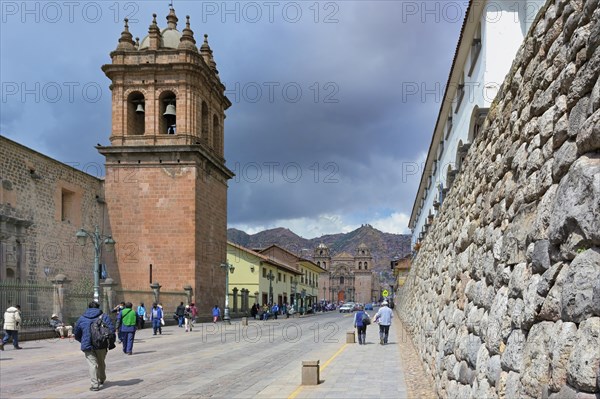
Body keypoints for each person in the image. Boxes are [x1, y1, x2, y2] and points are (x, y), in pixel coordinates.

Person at [73, 301, 115, 391]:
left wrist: (82, 340)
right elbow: (111, 330)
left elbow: (76, 332)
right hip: (101, 343)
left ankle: (94, 385)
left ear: (88, 307)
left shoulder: (82, 318)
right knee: (101, 362)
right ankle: (102, 379)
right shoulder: (104, 316)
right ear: (98, 307)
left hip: (87, 345)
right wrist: (111, 342)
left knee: (92, 364)